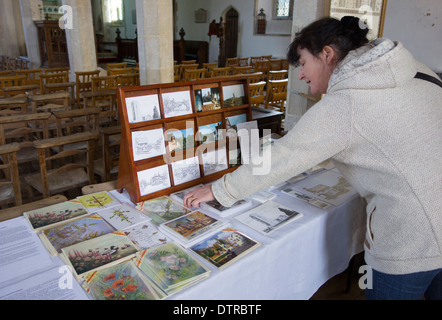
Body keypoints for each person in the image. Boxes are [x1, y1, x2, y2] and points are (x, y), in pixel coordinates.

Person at [184, 16, 442, 299]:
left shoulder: (347, 103)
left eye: (304, 63)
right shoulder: (415, 69)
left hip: (411, 241)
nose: (302, 75)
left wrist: (219, 189)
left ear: (327, 54)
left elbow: (283, 156)